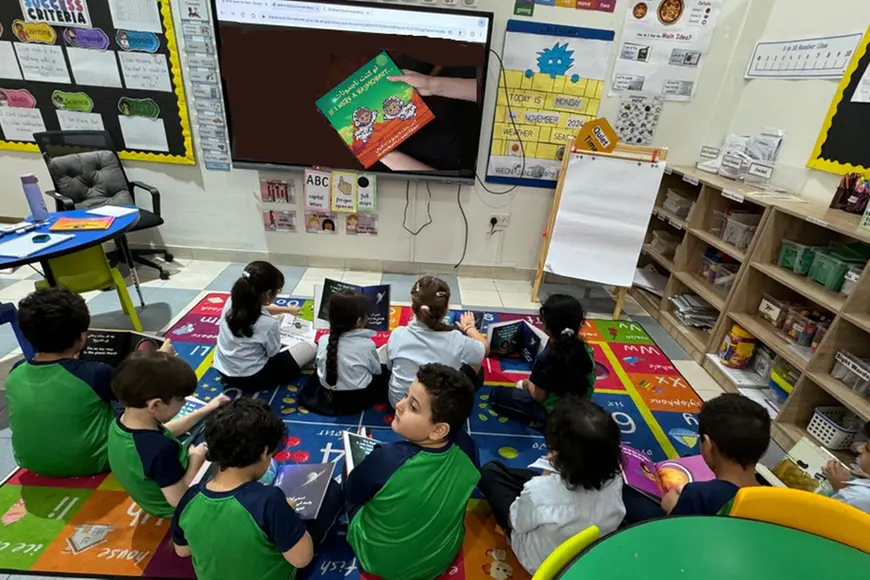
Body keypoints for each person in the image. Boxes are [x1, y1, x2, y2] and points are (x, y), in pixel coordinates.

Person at [172, 399, 343, 579]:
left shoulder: (189, 497)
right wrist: (288, 513)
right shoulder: (270, 501)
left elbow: (182, 550)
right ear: (263, 453)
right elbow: (301, 559)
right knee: (330, 491)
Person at [345, 364, 479, 580]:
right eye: (406, 396)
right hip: (440, 558)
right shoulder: (470, 448)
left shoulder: (387, 459)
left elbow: (353, 491)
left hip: (380, 562)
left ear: (438, 430)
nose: (399, 405)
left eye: (413, 407)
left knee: (349, 475)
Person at [6, 288, 149, 477]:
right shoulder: (96, 373)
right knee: (136, 404)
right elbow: (137, 395)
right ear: (81, 337)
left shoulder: (16, 372)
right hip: (94, 461)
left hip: (30, 462)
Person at [478, 397, 625, 574]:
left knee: (490, 472)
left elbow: (515, 522)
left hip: (538, 562)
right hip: (584, 557)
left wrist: (546, 476)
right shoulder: (616, 479)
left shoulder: (539, 491)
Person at [108, 351, 229, 517]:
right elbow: (178, 499)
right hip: (177, 507)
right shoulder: (159, 450)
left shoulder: (123, 422)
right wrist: (196, 458)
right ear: (155, 405)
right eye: (180, 399)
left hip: (159, 489)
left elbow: (167, 430)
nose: (184, 403)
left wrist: (206, 410)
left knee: (208, 422)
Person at [491, 294, 596, 428]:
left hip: (554, 415)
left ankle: (542, 422)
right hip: (582, 408)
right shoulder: (585, 348)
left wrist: (528, 383)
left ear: (546, 324)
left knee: (497, 394)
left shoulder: (547, 357)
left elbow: (538, 397)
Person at [385, 275, 488, 407]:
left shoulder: (398, 334)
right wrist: (469, 327)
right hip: (438, 411)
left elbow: (390, 366)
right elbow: (485, 350)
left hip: (399, 403)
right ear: (446, 310)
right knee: (476, 364)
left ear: (413, 307)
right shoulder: (457, 340)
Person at [661, 394, 770, 516]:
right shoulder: (773, 499)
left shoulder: (698, 496)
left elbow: (680, 526)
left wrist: (672, 507)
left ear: (708, 445)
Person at [214, 261, 315, 392]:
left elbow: (260, 308)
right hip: (253, 378)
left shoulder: (232, 301)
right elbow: (272, 353)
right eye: (278, 291)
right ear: (268, 294)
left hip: (223, 369)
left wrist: (287, 309)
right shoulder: (268, 323)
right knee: (311, 347)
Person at [299, 290, 388, 416]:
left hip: (324, 397)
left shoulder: (323, 340)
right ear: (359, 321)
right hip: (355, 399)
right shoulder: (367, 345)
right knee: (385, 367)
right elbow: (376, 371)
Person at [824, 421, 870, 514]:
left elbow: (827, 515)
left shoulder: (855, 498)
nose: (860, 449)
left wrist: (841, 489)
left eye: (867, 448)